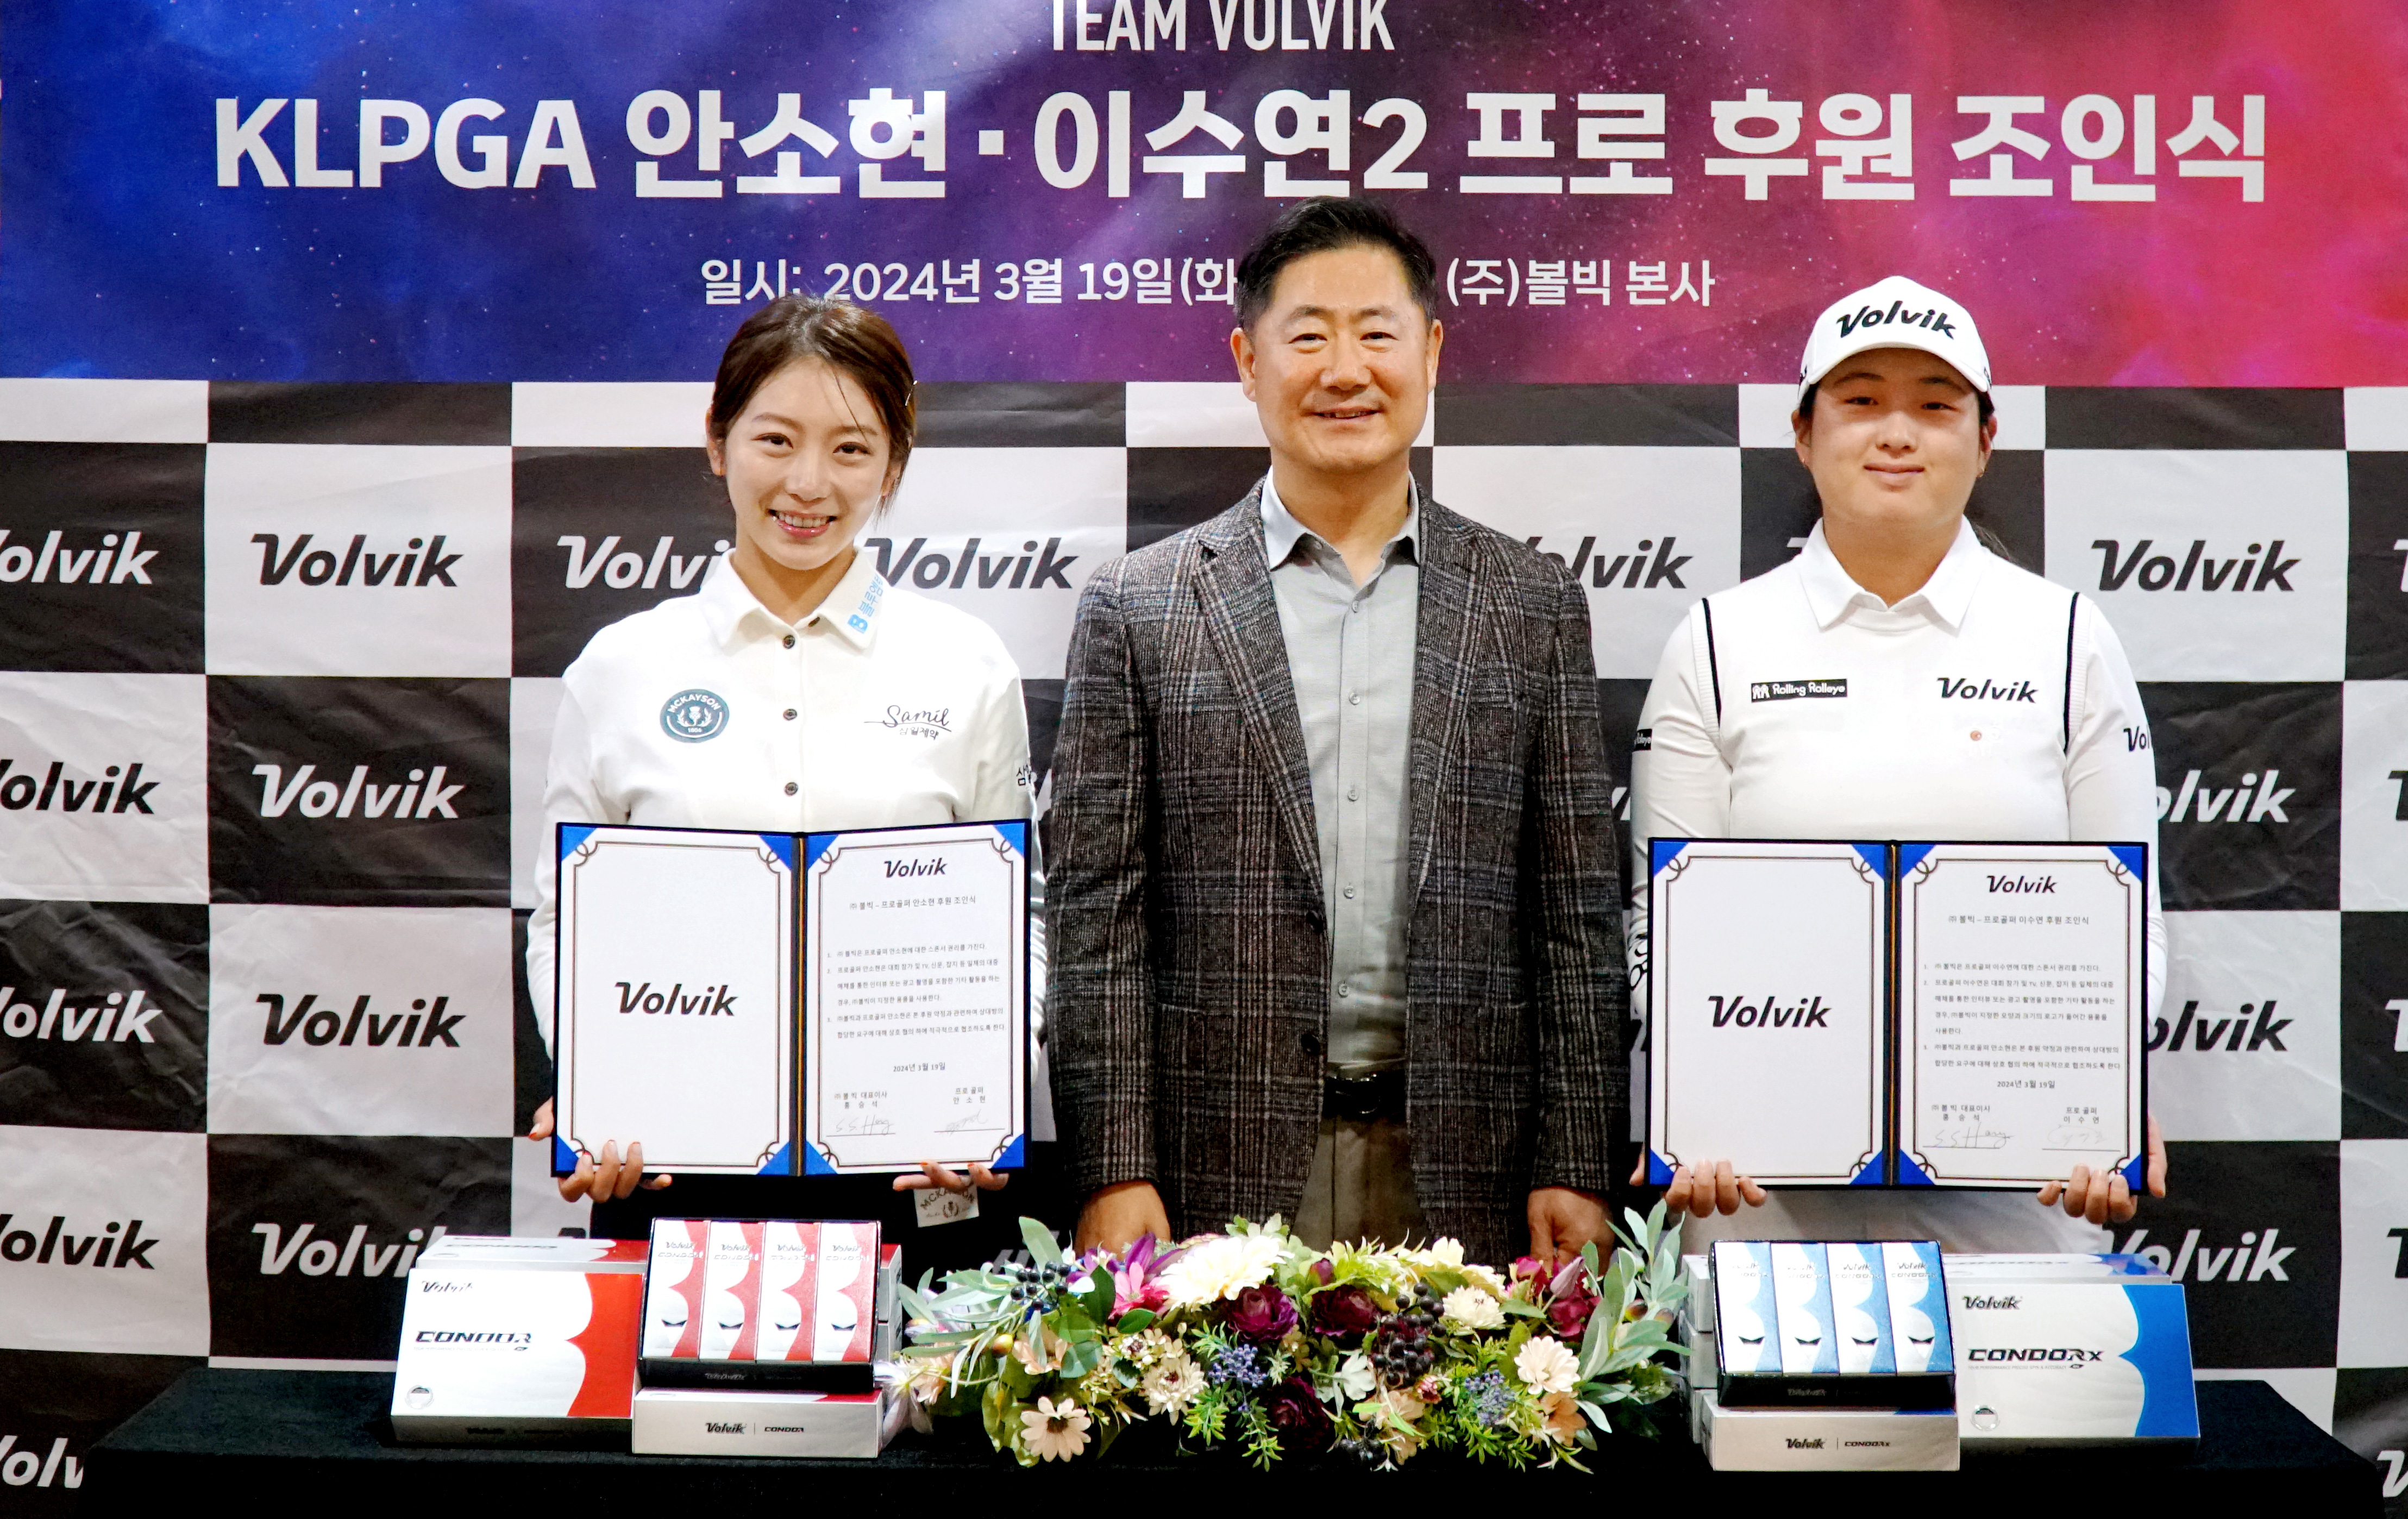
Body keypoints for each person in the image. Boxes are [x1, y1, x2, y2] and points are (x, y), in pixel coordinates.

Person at [1048, 199, 1624, 1268]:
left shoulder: (1530, 602)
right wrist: (1113, 1167)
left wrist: (1578, 1158)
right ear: (1247, 361)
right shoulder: (1140, 606)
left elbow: (1575, 916)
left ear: (1431, 352)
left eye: (1377, 333)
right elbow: (1098, 922)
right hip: (1214, 1166)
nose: (1345, 369)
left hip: (1474, 1168)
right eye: (1307, 335)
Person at [1627, 274, 2169, 1251]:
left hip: (2021, 1209)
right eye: (1862, 400)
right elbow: (1661, 927)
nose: (1896, 433)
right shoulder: (1716, 639)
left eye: (1935, 405)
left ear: (1986, 439)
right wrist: (1695, 1093)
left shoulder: (2069, 638)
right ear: (1804, 434)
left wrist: (2102, 1092)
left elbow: (2130, 923)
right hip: (1761, 1203)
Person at [522, 292, 1049, 1267]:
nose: (809, 483)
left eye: (851, 449)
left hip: (912, 1176)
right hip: (673, 1170)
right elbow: (566, 918)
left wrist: (985, 1092)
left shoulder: (966, 665)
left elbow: (1018, 916)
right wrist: (595, 1088)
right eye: (775, 439)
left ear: (894, 465)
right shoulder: (620, 669)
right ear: (717, 441)